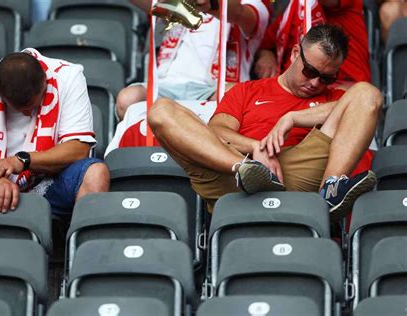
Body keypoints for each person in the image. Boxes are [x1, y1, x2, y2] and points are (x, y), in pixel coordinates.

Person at [147, 24, 383, 220]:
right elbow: (219, 131)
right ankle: (247, 170)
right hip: (232, 172)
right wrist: (256, 149)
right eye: (310, 71)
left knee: (367, 93)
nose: (314, 83)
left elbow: (362, 103)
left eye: (326, 78)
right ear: (293, 54)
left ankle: (331, 190)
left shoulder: (333, 98)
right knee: (161, 110)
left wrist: (292, 118)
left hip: (300, 172)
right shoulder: (247, 90)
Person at [0, 48, 110, 218]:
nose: (26, 114)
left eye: (32, 106)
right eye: (17, 108)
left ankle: (85, 248)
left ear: (45, 83)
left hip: (47, 182)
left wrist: (22, 160)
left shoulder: (68, 77)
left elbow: (78, 149)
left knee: (95, 173)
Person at [115, 0, 270, 120]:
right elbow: (153, 4)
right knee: (128, 99)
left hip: (215, 89)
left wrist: (207, 3)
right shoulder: (179, 4)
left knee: (235, 97)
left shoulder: (254, 4)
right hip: (167, 86)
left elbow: (237, 13)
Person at [254, 0, 371, 88]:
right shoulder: (292, 9)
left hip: (340, 86)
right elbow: (267, 44)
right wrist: (266, 55)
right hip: (293, 89)